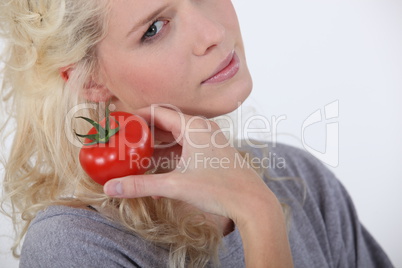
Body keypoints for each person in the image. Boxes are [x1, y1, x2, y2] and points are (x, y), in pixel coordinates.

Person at [0, 0, 394, 267]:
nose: (212, 32)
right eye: (154, 28)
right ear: (91, 82)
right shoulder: (75, 246)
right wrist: (259, 215)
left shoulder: (302, 179)